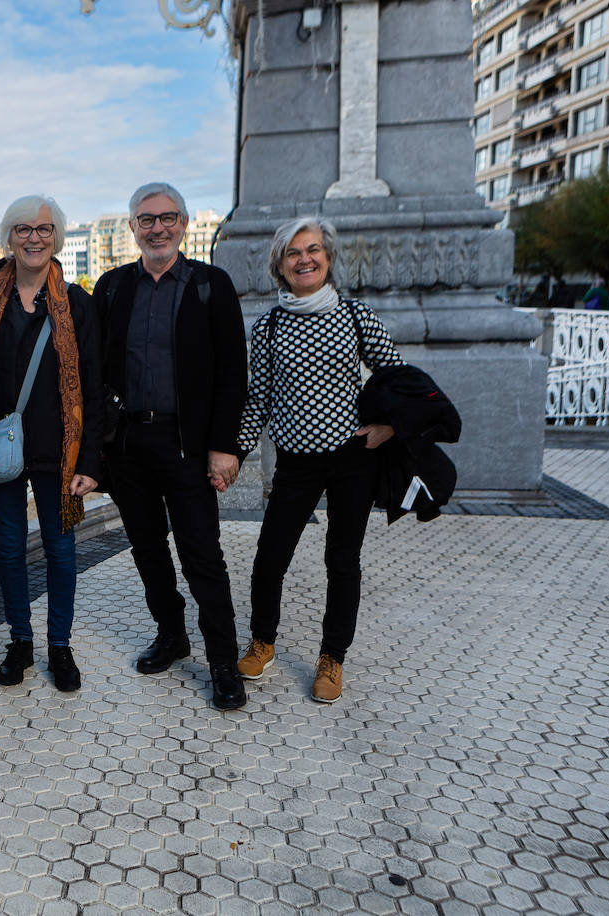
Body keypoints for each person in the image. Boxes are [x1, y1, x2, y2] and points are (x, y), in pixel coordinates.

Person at [234, 216, 404, 703]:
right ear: (280, 265)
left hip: (353, 460)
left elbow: (397, 378)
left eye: (312, 250)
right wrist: (236, 454)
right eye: (293, 252)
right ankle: (263, 640)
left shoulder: (355, 316)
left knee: (342, 560)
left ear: (327, 259)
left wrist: (388, 427)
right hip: (295, 463)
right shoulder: (268, 326)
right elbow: (257, 398)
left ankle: (333, 657)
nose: (304, 259)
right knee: (270, 558)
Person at [94, 182, 249, 710]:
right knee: (148, 551)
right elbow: (94, 371)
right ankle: (171, 634)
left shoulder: (211, 284)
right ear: (132, 227)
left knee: (202, 555)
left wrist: (224, 447)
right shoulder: (113, 288)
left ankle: (223, 663)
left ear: (182, 224)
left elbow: (233, 372)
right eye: (145, 219)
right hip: (130, 444)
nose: (156, 228)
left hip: (188, 445)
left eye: (166, 218)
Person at [0, 195, 104, 692]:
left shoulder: (77, 302)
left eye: (43, 228)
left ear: (56, 236)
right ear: (8, 237)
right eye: (22, 229)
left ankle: (60, 646)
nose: (33, 237)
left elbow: (95, 384)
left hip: (59, 452)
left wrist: (93, 459)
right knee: (9, 548)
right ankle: (20, 643)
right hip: (1, 445)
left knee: (60, 549)